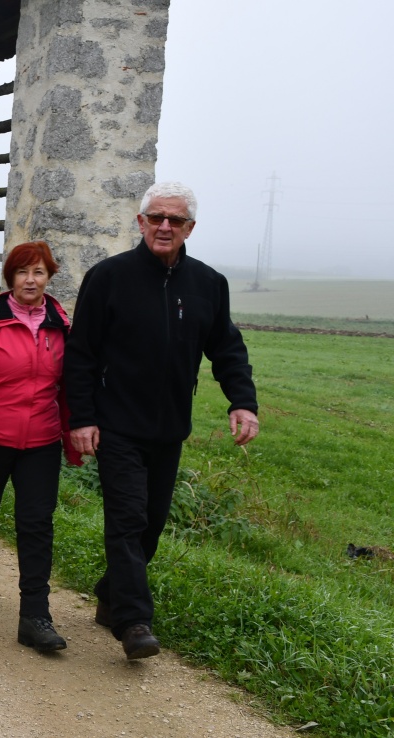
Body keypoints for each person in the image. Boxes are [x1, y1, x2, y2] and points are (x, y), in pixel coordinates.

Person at [64, 181, 259, 660]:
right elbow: (81, 354)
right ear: (141, 222)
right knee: (127, 519)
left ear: (190, 227)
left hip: (170, 428)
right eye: (156, 218)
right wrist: (83, 418)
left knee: (150, 524)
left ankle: (111, 596)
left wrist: (243, 401)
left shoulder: (209, 284)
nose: (164, 227)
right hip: (117, 425)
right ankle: (134, 621)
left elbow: (226, 347)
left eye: (175, 220)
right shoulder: (109, 277)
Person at [0, 240, 82, 653]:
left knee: (37, 524)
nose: (31, 279)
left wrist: (72, 439)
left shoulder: (61, 325)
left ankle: (35, 616)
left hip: (41, 442)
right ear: (10, 278)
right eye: (23, 272)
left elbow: (68, 388)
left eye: (39, 272)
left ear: (49, 278)